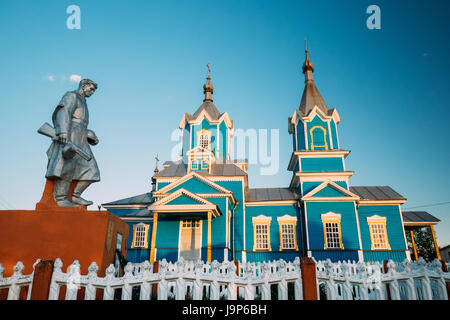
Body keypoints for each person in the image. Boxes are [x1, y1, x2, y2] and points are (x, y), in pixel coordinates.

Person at [45, 79, 100, 206]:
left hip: (81, 137)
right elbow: (63, 112)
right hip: (71, 134)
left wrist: (89, 135)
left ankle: (75, 196)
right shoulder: (72, 95)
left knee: (92, 169)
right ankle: (61, 198)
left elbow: (81, 122)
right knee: (66, 166)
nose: (92, 92)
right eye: (91, 89)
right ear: (84, 86)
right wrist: (63, 131)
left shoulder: (83, 102)